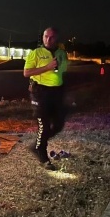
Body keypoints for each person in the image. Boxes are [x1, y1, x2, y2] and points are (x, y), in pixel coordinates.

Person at [23, 27, 68, 170]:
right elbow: (26, 72)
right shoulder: (36, 53)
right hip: (40, 92)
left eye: (52, 37)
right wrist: (47, 67)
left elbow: (63, 71)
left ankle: (36, 145)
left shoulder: (62, 53)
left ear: (57, 38)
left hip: (56, 92)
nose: (48, 40)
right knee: (44, 126)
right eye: (46, 36)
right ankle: (42, 156)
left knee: (59, 124)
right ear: (42, 37)